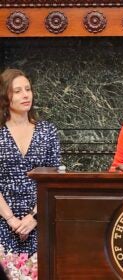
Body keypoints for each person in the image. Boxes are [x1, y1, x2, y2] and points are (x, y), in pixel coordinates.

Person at [0, 69, 61, 255]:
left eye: (28, 89)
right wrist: (11, 220)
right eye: (17, 91)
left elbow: (56, 179)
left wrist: (34, 217)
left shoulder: (47, 131)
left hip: (40, 219)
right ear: (4, 96)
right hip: (3, 220)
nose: (26, 95)